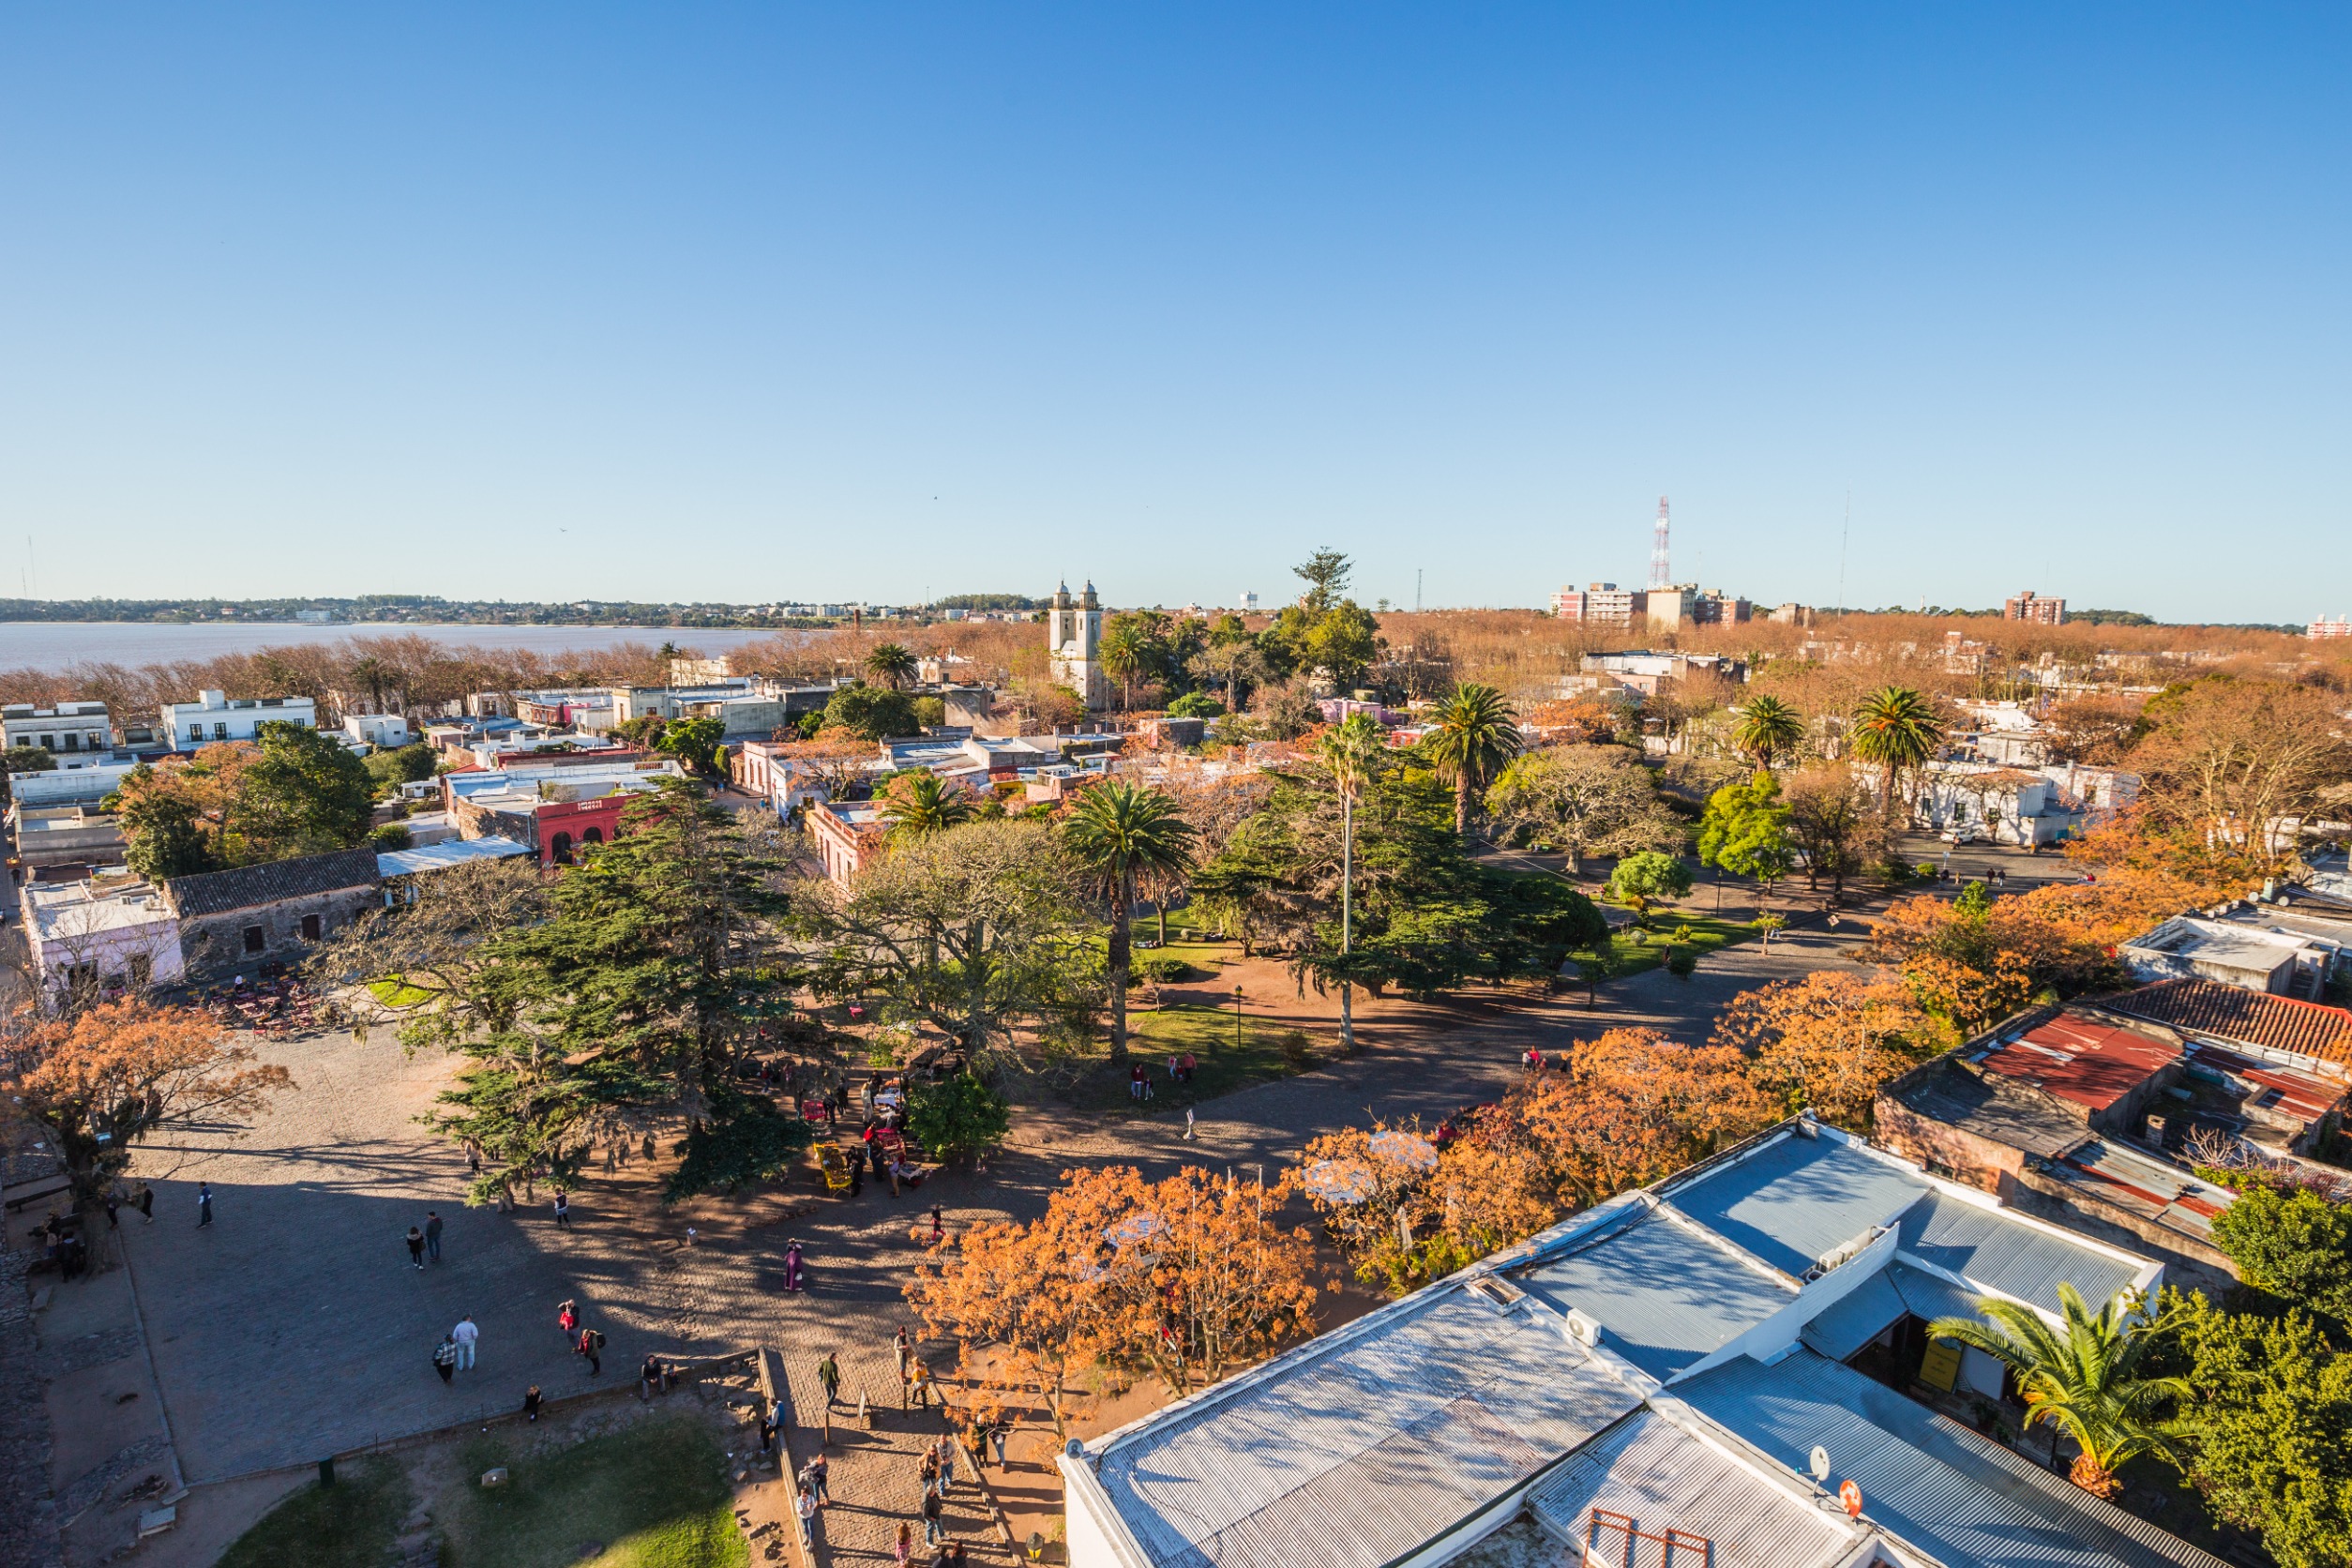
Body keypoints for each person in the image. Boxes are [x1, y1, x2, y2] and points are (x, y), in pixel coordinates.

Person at [795, 1484, 817, 1550]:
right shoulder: (799, 1500)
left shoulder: (811, 1499)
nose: (804, 1497)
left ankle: (811, 1542)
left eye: (805, 1496)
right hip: (803, 1516)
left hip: (810, 1515)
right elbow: (797, 1507)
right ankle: (807, 1536)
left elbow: (814, 1505)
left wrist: (810, 1507)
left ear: (808, 1495)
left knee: (811, 1528)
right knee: (805, 1526)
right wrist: (799, 1511)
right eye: (803, 1496)